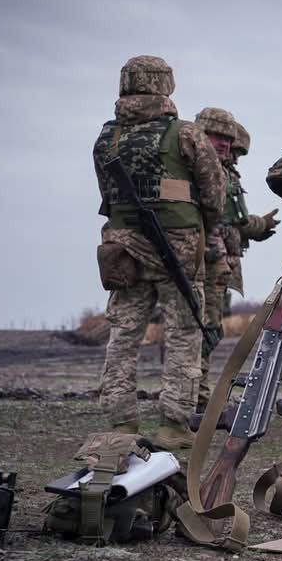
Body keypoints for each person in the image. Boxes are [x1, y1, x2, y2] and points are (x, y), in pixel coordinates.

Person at [93, 56, 225, 449]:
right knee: (184, 334)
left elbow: (106, 192)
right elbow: (214, 193)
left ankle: (121, 424)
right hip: (179, 249)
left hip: (123, 248)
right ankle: (172, 424)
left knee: (122, 335)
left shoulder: (106, 138)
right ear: (165, 86)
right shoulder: (185, 134)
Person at [193, 110, 279, 411]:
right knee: (204, 330)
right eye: (222, 140)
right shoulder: (208, 172)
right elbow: (234, 220)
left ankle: (196, 395)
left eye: (234, 146)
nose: (231, 151)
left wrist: (258, 227)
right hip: (206, 263)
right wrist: (260, 226)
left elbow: (235, 223)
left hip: (220, 263)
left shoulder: (224, 173)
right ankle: (196, 397)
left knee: (208, 329)